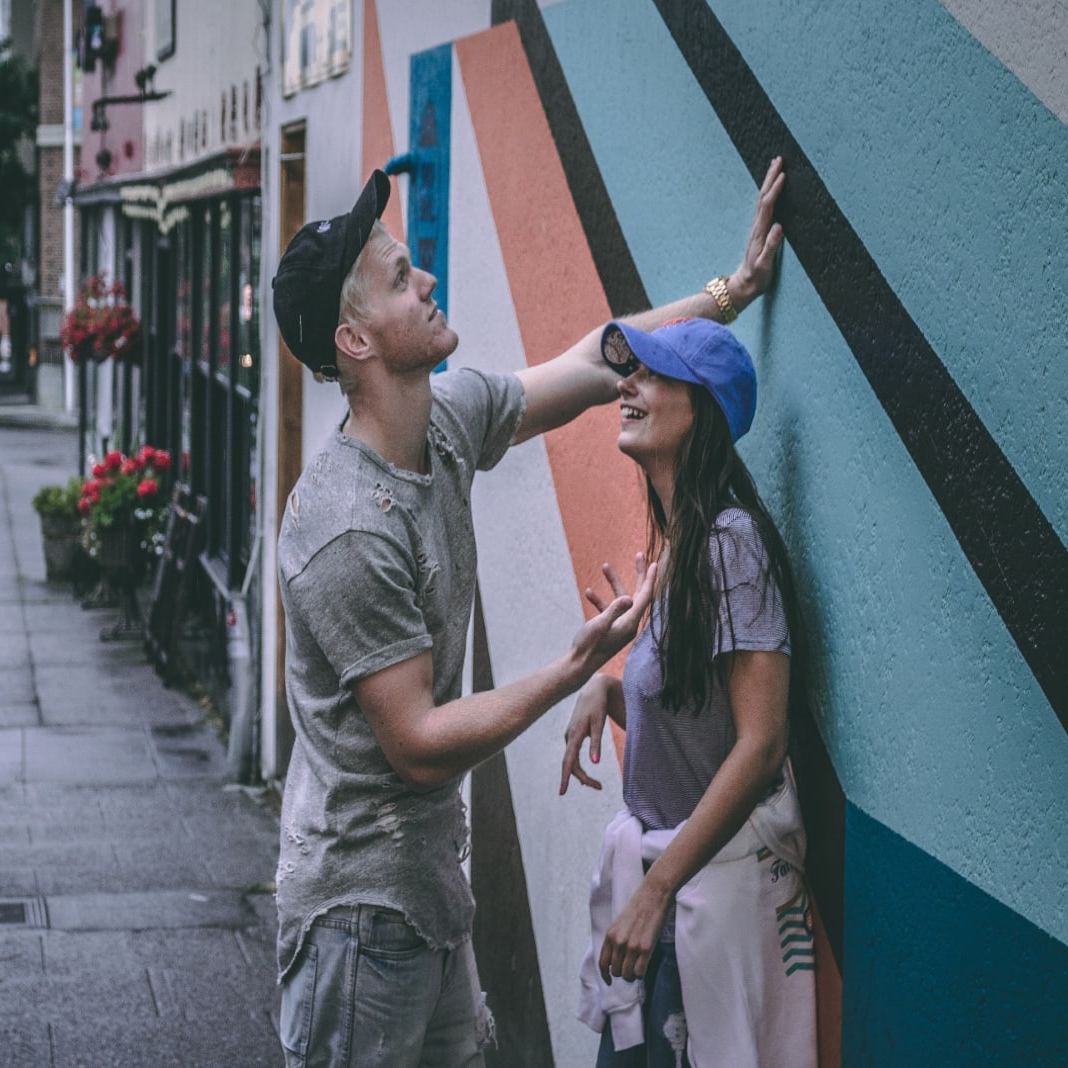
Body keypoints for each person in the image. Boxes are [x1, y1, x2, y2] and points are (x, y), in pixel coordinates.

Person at [270, 157, 785, 1067]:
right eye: (399, 278)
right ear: (356, 341)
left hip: (428, 897)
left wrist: (729, 293)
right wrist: (573, 672)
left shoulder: (445, 422)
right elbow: (419, 743)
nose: (425, 279)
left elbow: (598, 358)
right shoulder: (346, 526)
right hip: (357, 917)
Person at [560, 318, 815, 1067]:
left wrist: (655, 891)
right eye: (627, 372)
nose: (627, 385)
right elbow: (696, 723)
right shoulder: (683, 549)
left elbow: (760, 742)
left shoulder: (731, 544)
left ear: (701, 409)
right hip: (664, 919)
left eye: (652, 373)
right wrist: (608, 693)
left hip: (688, 914)